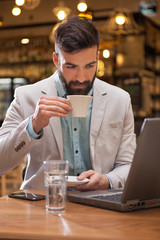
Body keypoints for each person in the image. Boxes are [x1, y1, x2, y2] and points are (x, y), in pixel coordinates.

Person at [0, 16, 136, 191]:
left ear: (97, 57)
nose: (81, 77)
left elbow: (128, 164)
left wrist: (108, 180)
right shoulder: (27, 96)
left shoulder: (120, 99)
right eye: (71, 67)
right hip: (43, 204)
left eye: (89, 66)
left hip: (101, 203)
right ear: (56, 60)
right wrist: (33, 126)